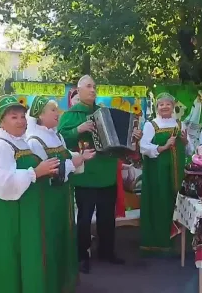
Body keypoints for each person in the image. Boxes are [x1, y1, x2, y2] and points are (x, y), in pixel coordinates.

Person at [0, 95, 61, 293]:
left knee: (25, 257)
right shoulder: (0, 146)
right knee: (8, 260)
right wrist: (35, 172)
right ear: (1, 121)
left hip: (22, 213)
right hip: (6, 216)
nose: (21, 121)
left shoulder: (21, 143)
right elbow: (5, 185)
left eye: (23, 116)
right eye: (14, 117)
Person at [58, 75, 141, 274]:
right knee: (85, 218)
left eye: (95, 87)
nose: (93, 90)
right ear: (78, 90)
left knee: (107, 217)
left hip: (106, 174)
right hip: (86, 175)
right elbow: (60, 138)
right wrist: (79, 129)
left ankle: (107, 251)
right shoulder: (71, 115)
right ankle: (82, 256)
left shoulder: (104, 112)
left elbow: (122, 143)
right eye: (89, 86)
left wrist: (134, 136)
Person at [25, 96, 96, 291]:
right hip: (48, 198)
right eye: (53, 110)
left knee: (64, 232)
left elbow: (64, 155)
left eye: (57, 110)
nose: (58, 114)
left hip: (63, 195)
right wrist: (75, 162)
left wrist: (81, 157)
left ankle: (63, 279)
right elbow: (48, 171)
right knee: (51, 236)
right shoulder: (34, 141)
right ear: (40, 114)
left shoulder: (56, 135)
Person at [139, 92, 187, 255]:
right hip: (157, 173)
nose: (165, 107)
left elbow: (188, 149)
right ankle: (158, 241)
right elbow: (144, 147)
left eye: (168, 104)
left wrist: (185, 141)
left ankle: (179, 244)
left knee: (178, 204)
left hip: (177, 173)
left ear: (173, 106)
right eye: (161, 104)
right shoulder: (151, 125)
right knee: (160, 202)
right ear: (157, 107)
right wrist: (163, 147)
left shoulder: (180, 124)